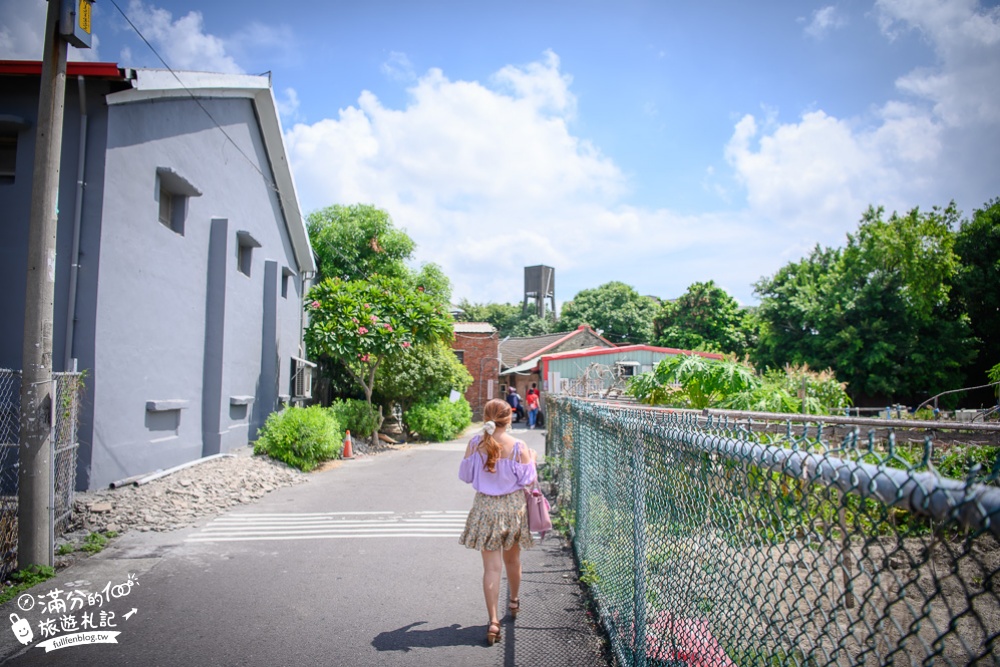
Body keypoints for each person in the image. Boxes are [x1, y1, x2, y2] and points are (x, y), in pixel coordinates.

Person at [458, 398, 538, 646]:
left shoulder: (475, 443)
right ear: (509, 417)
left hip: (485, 508)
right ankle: (513, 601)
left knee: (491, 568)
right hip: (512, 508)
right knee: (513, 560)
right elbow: (528, 480)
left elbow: (465, 475)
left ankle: (493, 621)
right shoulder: (518, 446)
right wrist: (532, 458)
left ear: (486, 417)